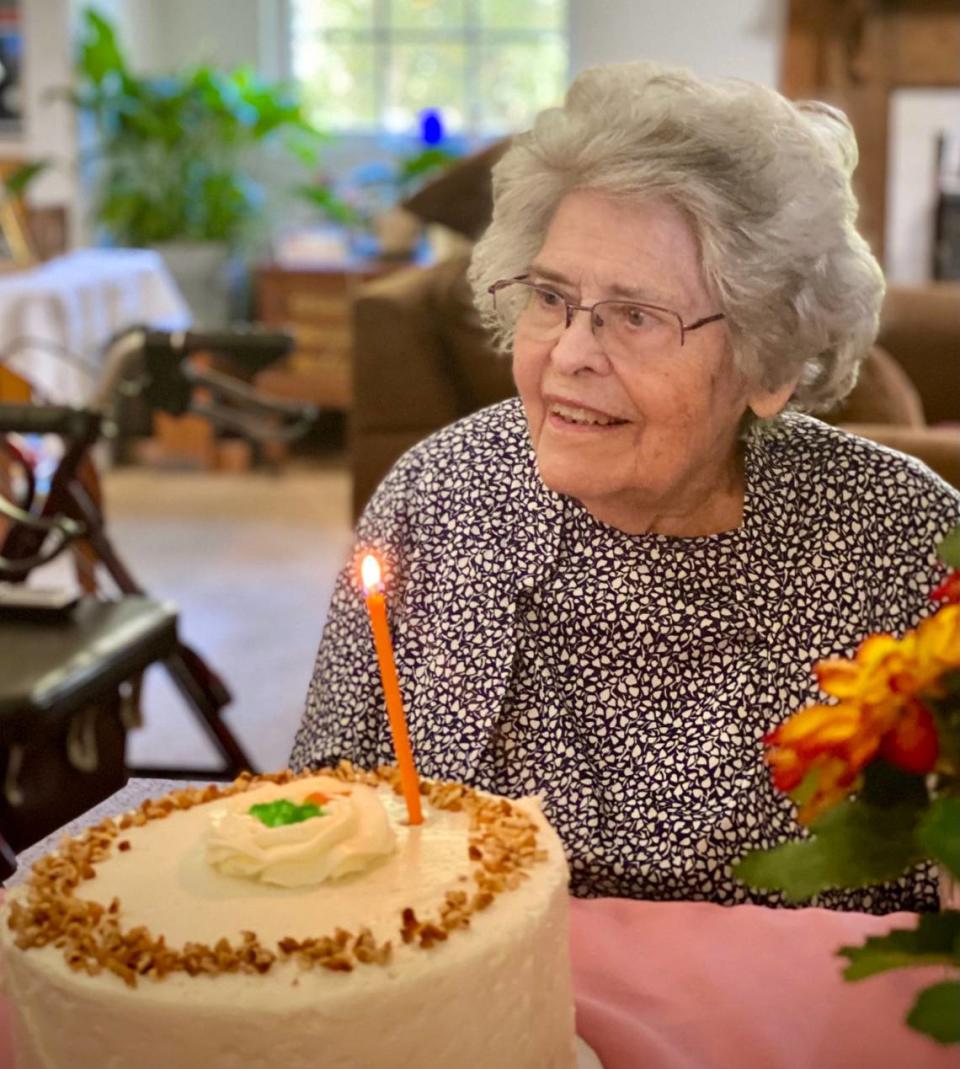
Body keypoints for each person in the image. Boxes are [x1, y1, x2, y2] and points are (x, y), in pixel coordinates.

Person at [291, 62, 960, 912]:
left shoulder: (900, 537)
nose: (569, 353)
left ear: (769, 361)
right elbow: (319, 817)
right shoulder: (438, 500)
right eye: (551, 297)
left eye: (637, 315)